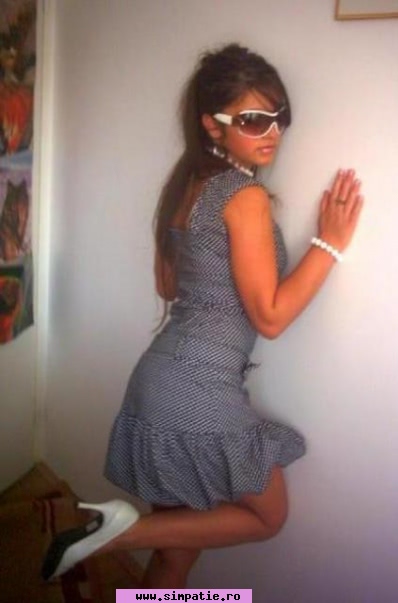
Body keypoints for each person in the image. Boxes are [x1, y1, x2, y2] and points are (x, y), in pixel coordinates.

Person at [42, 43, 363, 588]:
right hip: (195, 386)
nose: (273, 132)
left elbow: (168, 285)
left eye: (279, 116)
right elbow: (270, 317)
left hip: (160, 379)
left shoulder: (189, 186)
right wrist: (328, 243)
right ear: (213, 126)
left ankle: (125, 541)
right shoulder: (244, 196)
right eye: (253, 120)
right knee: (268, 517)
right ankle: (119, 535)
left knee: (177, 556)